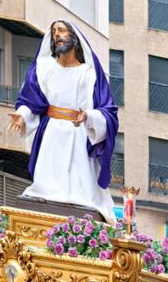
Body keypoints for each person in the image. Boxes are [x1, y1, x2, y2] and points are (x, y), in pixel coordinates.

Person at [8, 20, 118, 222]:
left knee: (78, 186)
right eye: (53, 31)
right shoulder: (44, 68)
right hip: (51, 133)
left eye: (61, 30)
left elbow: (108, 111)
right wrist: (23, 115)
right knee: (46, 185)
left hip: (77, 133)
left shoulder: (88, 74)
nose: (56, 35)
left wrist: (88, 116)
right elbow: (33, 99)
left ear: (74, 39)